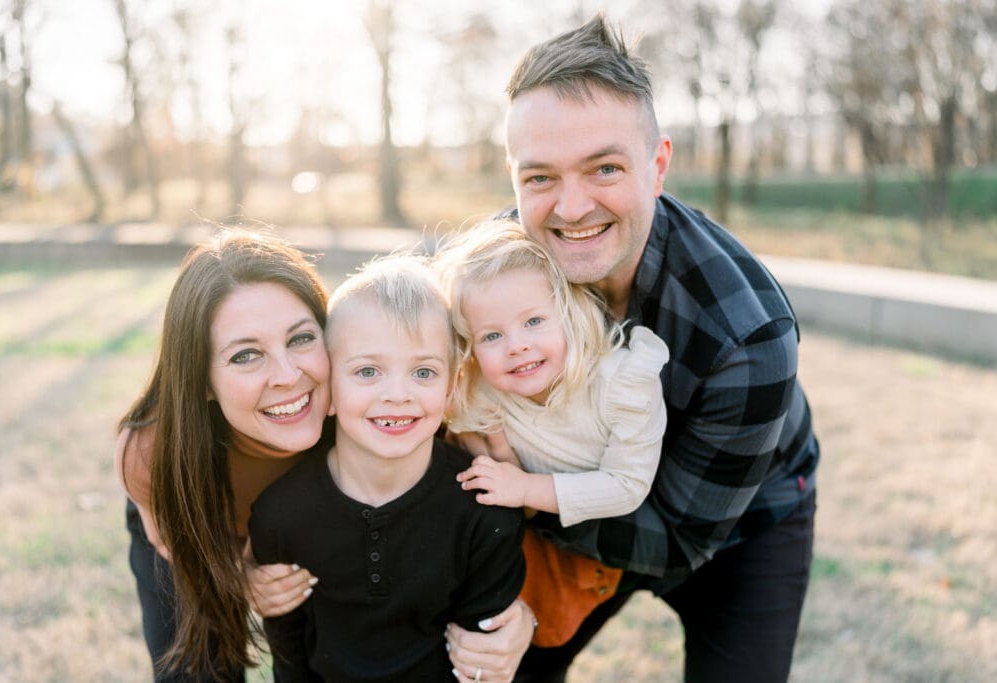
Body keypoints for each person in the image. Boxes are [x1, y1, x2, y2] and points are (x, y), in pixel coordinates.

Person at [449, 14, 821, 683]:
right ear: (513, 178)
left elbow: (677, 538)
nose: (570, 207)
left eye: (604, 168)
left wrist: (527, 492)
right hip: (565, 487)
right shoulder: (489, 276)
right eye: (538, 178)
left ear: (658, 164)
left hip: (738, 521)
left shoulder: (748, 334)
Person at [114, 232, 535, 682]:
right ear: (201, 380)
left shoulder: (387, 409)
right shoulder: (156, 455)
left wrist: (523, 617)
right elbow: (195, 566)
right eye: (246, 355)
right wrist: (239, 575)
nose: (289, 376)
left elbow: (495, 530)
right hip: (205, 537)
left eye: (300, 339)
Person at [249, 254, 526, 682]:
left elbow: (482, 661)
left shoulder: (484, 511)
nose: (398, 394)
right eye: (367, 371)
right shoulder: (280, 515)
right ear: (328, 387)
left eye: (423, 371)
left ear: (452, 387)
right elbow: (289, 657)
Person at [436, 220, 669, 647]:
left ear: (568, 311)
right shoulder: (478, 388)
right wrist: (500, 460)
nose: (516, 345)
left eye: (534, 321)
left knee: (548, 640)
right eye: (492, 335)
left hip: (596, 545)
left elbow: (627, 485)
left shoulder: (621, 383)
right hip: (517, 536)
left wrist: (524, 487)